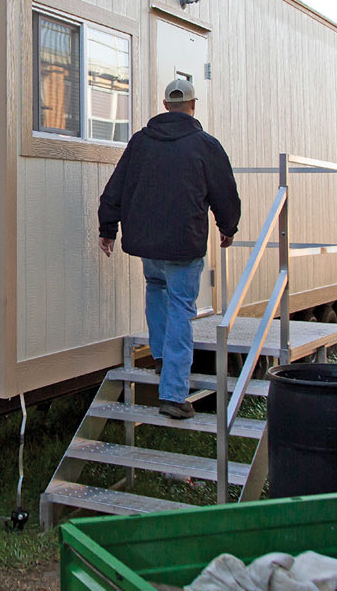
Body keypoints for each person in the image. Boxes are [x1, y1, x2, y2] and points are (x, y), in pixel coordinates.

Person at [98, 78, 241, 419]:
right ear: (193, 105)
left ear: (165, 106)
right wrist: (228, 227)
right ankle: (174, 395)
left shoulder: (140, 142)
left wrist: (108, 229)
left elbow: (115, 187)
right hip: (183, 244)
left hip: (147, 243)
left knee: (156, 288)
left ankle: (162, 358)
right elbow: (224, 192)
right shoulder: (205, 145)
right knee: (180, 309)